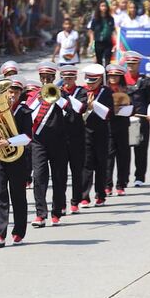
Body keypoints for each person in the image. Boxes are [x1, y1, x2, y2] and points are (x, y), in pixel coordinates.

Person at [0, 77, 31, 247]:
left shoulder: (24, 111)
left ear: (20, 94)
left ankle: (19, 231)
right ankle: (0, 233)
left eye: (15, 92)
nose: (12, 95)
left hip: (17, 157)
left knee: (18, 195)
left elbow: (28, 137)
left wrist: (10, 142)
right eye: (9, 92)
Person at [28, 62, 68, 226]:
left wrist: (55, 96)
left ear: (54, 78)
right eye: (42, 78)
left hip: (58, 141)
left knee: (59, 178)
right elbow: (28, 113)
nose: (45, 80)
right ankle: (40, 214)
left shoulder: (62, 94)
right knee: (39, 177)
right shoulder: (34, 95)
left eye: (48, 78)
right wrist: (38, 100)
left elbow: (68, 110)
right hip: (39, 142)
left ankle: (57, 211)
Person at [80, 63, 113, 207]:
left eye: (93, 81)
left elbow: (108, 113)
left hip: (101, 132)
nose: (90, 84)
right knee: (86, 164)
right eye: (88, 81)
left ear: (100, 80)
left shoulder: (106, 92)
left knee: (101, 164)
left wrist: (94, 105)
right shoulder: (82, 91)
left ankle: (100, 194)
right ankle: (84, 196)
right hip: (85, 132)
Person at [123, 52, 150, 186]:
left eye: (133, 64)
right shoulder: (120, 80)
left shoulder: (145, 81)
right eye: (129, 64)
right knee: (123, 150)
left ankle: (139, 177)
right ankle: (123, 178)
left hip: (141, 119)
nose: (131, 66)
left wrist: (149, 113)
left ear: (138, 64)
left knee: (141, 149)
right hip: (124, 119)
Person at [59, 65, 87, 213]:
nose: (68, 80)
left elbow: (80, 108)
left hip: (77, 136)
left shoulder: (81, 91)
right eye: (65, 78)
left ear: (75, 78)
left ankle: (75, 201)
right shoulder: (57, 92)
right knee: (61, 173)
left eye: (70, 78)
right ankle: (61, 203)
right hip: (61, 137)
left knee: (77, 171)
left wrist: (66, 96)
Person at [105, 64, 132, 196]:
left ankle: (121, 184)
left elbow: (133, 106)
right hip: (108, 126)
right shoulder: (104, 90)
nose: (113, 78)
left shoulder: (126, 89)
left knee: (123, 155)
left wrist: (128, 110)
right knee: (108, 156)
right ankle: (107, 184)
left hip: (122, 125)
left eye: (116, 75)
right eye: (111, 75)